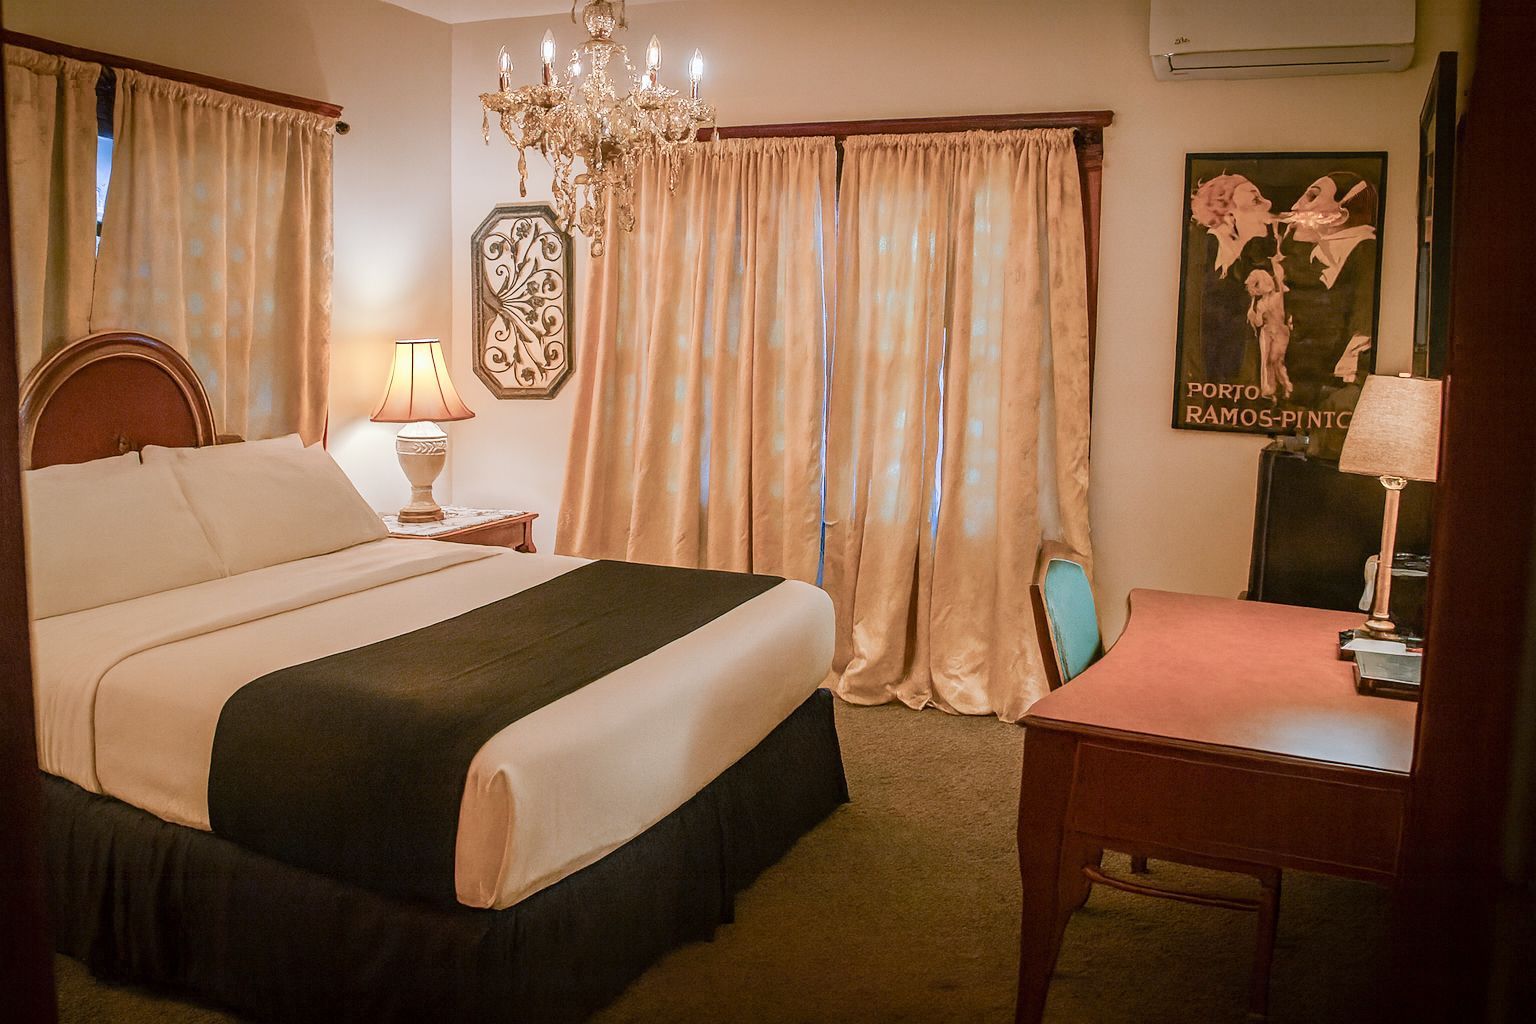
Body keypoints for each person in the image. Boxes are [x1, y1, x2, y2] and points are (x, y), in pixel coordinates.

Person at [1277, 171, 1380, 403]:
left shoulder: (1365, 253)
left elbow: (1362, 329)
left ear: (1340, 215)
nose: (1296, 206)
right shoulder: (1307, 256)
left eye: (1311, 197)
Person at [1189, 173, 1276, 383]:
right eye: (1256, 200)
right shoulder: (1205, 251)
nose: (1268, 204)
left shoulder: (1251, 261)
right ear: (1229, 215)